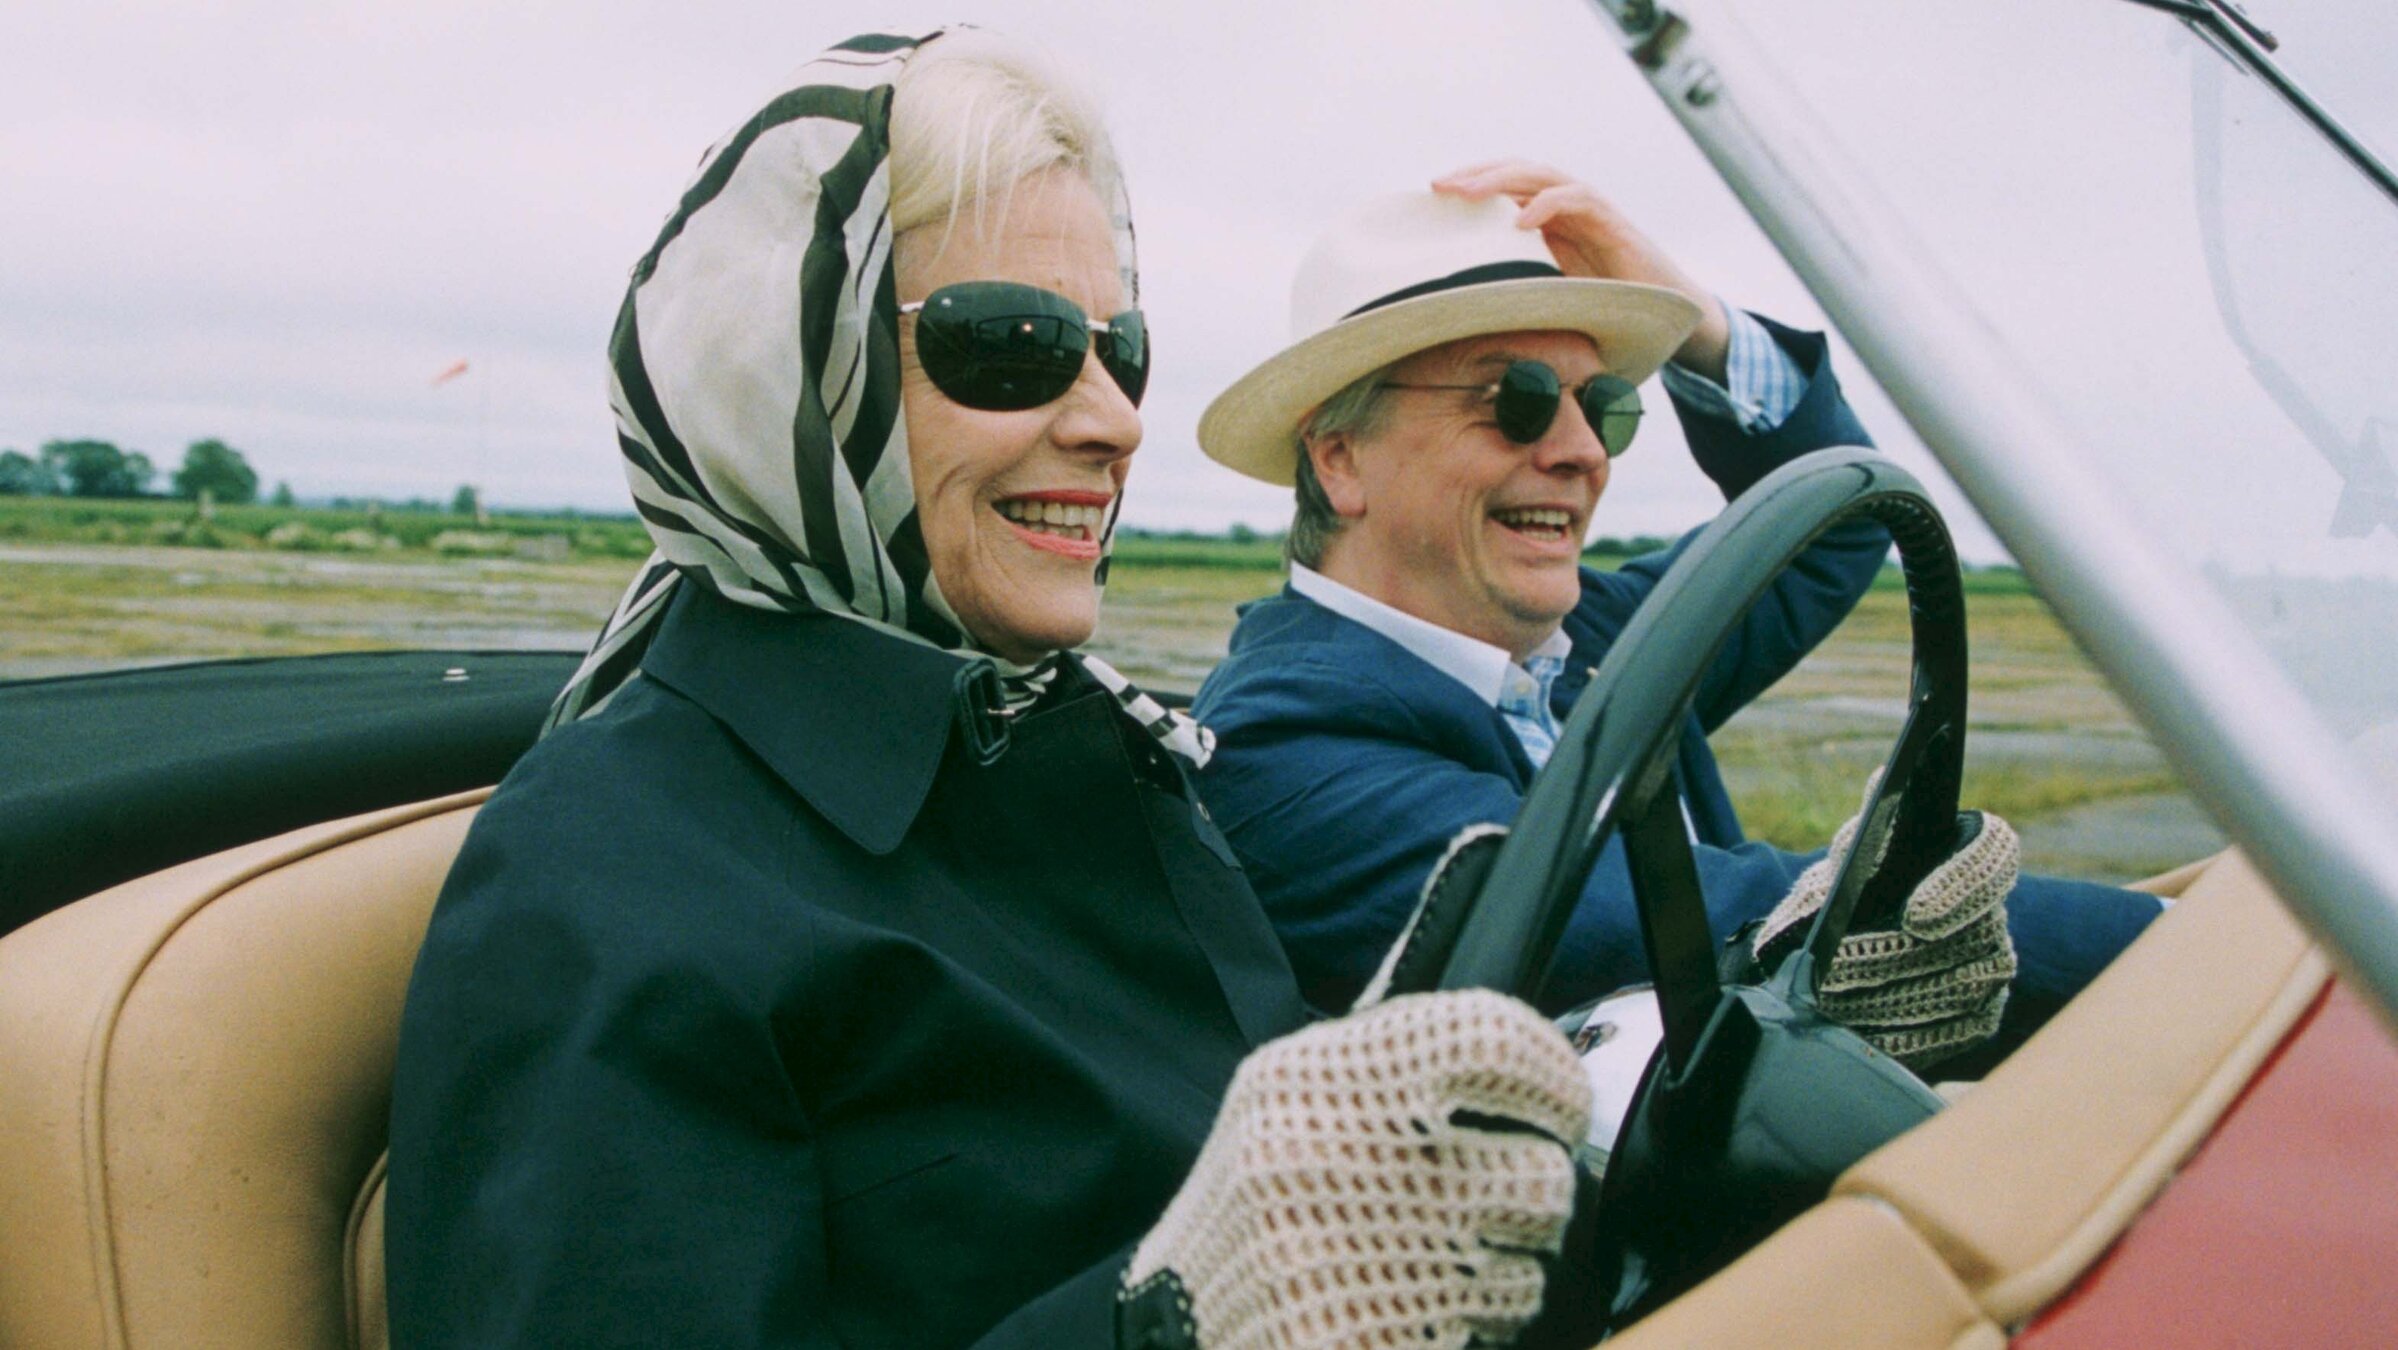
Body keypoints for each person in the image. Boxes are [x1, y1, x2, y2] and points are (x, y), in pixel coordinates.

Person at [387, 31, 1608, 1350]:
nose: (1114, 418)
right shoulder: (607, 876)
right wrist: (1169, 1316)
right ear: (783, 364)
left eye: (1115, 347)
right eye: (1009, 343)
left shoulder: (1074, 741)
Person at [1189, 170, 2162, 1068]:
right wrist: (2176, 949)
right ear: (1339, 460)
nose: (1581, 450)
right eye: (1515, 400)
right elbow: (1711, 921)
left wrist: (1697, 324)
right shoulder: (1281, 748)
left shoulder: (1592, 638)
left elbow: (1824, 531)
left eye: (1603, 402)